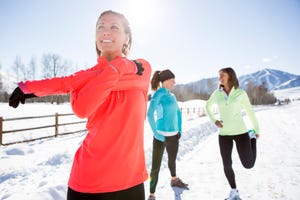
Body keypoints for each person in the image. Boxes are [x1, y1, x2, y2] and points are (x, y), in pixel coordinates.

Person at [9, 10, 151, 200]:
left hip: (130, 183)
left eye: (114, 27)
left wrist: (118, 68)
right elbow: (72, 93)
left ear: (127, 38)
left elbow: (68, 84)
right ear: (95, 37)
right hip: (86, 183)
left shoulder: (142, 68)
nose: (106, 32)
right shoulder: (93, 75)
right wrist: (29, 88)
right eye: (100, 27)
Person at [205, 67, 259, 200]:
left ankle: (252, 139)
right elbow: (207, 106)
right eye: (219, 76)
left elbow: (250, 111)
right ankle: (234, 190)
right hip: (224, 135)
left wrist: (256, 129)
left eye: (222, 75)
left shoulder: (240, 93)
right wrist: (214, 120)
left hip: (241, 133)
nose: (220, 78)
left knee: (248, 164)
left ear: (230, 76)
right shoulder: (217, 93)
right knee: (227, 164)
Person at [147, 69, 188, 200]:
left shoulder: (172, 96)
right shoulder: (159, 94)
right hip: (160, 136)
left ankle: (174, 179)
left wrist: (179, 130)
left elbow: (178, 114)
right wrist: (156, 133)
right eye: (172, 80)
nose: (174, 82)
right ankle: (152, 194)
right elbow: (149, 114)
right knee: (156, 167)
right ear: (165, 81)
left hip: (174, 136)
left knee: (172, 160)